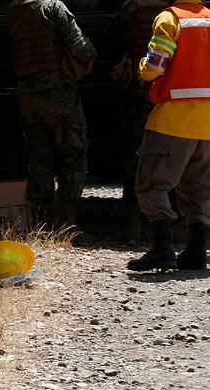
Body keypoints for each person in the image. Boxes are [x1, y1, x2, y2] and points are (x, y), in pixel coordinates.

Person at [126, 0, 210, 271]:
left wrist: (141, 68)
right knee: (199, 187)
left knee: (151, 184)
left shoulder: (169, 19)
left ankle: (162, 248)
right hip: (207, 122)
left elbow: (155, 66)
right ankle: (196, 250)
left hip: (173, 119)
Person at [7, 0, 96, 227]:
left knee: (39, 156)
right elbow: (80, 46)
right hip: (57, 93)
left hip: (27, 95)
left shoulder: (15, 11)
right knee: (74, 153)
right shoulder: (53, 7)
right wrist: (92, 54)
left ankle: (43, 223)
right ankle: (66, 224)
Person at [106, 0, 173, 240]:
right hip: (177, 94)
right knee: (184, 157)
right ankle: (185, 226)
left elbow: (113, 40)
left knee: (138, 158)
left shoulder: (133, 7)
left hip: (143, 91)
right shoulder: (188, 10)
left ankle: (131, 227)